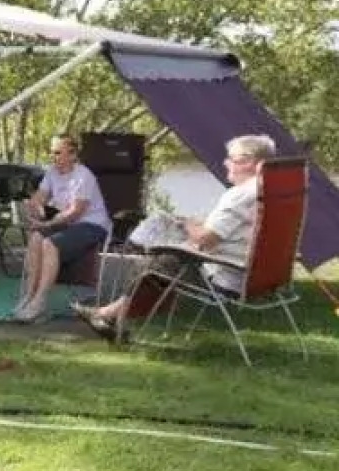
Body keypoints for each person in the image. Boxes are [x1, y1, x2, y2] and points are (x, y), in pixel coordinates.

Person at [74, 133, 276, 341]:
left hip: (226, 276)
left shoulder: (240, 195)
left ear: (250, 163)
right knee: (167, 257)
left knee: (163, 260)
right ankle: (113, 315)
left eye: (231, 159)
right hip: (255, 276)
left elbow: (206, 239)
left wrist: (187, 224)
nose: (226, 164)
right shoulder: (270, 191)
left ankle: (109, 315)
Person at [12, 134, 111, 323]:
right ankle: (29, 295)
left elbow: (75, 212)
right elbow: (40, 196)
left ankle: (39, 302)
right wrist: (34, 206)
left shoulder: (84, 176)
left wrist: (47, 224)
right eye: (52, 152)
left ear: (72, 155)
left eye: (58, 152)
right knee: (35, 238)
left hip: (92, 225)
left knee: (49, 243)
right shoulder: (52, 173)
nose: (53, 156)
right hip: (66, 224)